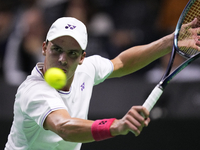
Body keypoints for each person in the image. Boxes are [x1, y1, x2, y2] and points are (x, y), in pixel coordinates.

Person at [5, 17, 200, 150]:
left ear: (82, 57)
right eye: (56, 49)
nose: (63, 59)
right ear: (44, 47)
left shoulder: (86, 69)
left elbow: (122, 63)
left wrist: (170, 41)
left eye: (72, 53)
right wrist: (116, 126)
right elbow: (63, 126)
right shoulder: (34, 92)